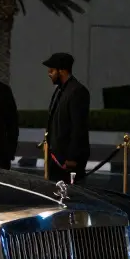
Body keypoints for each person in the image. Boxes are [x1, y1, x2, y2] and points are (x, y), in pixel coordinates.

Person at [43, 52, 91, 183]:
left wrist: (72, 158)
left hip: (68, 163)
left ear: (62, 70)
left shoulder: (77, 92)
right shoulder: (60, 90)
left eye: (52, 70)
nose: (49, 73)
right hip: (56, 160)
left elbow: (79, 127)